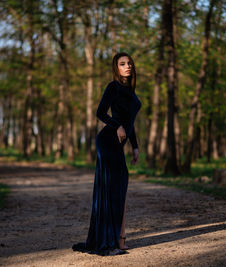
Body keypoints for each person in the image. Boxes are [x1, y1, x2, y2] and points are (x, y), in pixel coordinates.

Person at [72, 52, 142, 256]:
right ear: (116, 68)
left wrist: (135, 146)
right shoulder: (113, 87)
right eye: (122, 64)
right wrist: (117, 125)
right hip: (107, 141)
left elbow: (130, 122)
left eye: (129, 63)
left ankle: (120, 239)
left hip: (119, 143)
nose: (127, 66)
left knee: (121, 187)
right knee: (113, 189)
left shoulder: (130, 91)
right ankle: (108, 241)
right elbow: (100, 112)